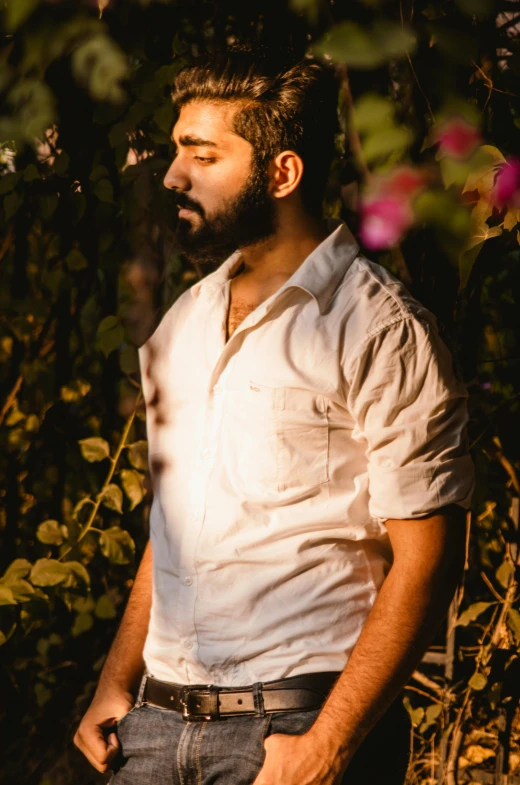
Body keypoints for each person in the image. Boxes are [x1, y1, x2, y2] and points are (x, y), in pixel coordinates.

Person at [74, 47, 474, 785]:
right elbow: (175, 524)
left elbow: (429, 556)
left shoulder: (380, 329)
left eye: (202, 154)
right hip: (154, 731)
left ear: (282, 173)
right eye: (174, 151)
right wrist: (115, 677)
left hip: (292, 729)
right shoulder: (180, 326)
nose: (172, 175)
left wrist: (327, 746)